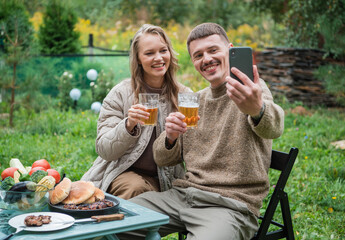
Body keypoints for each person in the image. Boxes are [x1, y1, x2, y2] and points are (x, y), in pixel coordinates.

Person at [120, 23, 285, 240]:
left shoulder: (251, 90)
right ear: (194, 63)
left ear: (230, 49)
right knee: (114, 220)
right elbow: (163, 158)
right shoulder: (194, 101)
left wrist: (257, 109)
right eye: (198, 55)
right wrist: (170, 137)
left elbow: (275, 126)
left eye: (213, 50)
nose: (206, 59)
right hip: (181, 197)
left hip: (229, 206)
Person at [81, 24, 189, 199]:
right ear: (138, 59)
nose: (159, 58)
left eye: (163, 50)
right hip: (124, 173)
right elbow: (104, 149)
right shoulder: (121, 93)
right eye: (149, 53)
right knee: (135, 189)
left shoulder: (184, 96)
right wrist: (128, 125)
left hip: (169, 177)